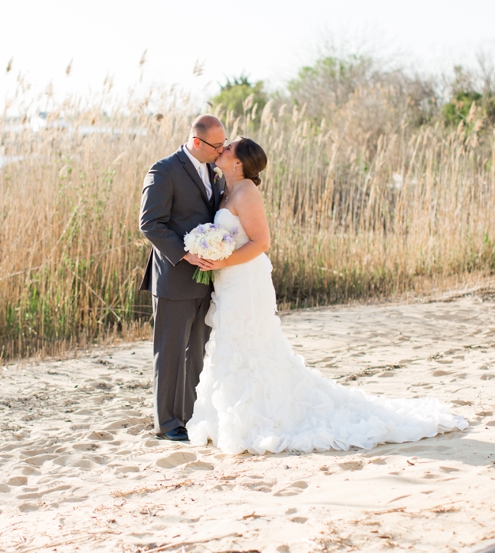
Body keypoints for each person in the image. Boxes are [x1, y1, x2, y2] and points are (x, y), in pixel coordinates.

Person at [186, 137, 468, 454]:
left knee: (248, 344)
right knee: (230, 343)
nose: (220, 149)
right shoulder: (223, 189)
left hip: (246, 282)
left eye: (227, 148)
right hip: (228, 281)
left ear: (238, 163)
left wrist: (221, 260)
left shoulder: (247, 191)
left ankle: (258, 418)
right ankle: (230, 416)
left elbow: (261, 243)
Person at [139, 115, 227, 441]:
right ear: (197, 142)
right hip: (174, 278)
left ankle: (191, 417)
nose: (222, 151)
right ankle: (167, 423)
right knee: (171, 352)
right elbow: (150, 224)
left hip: (206, 279)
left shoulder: (212, 171)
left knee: (197, 351)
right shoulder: (164, 171)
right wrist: (185, 253)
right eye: (217, 146)